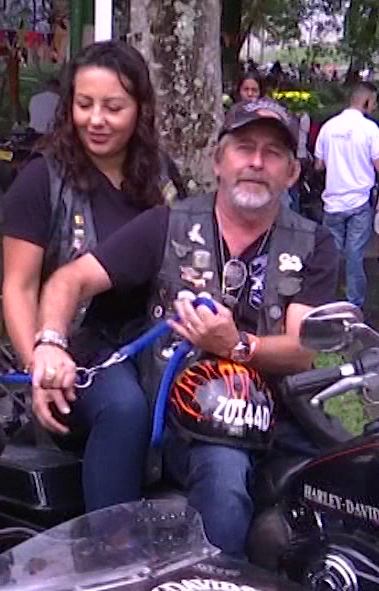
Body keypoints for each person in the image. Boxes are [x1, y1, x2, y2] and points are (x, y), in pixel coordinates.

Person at [32, 98, 340, 556]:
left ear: (292, 173)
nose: (256, 162)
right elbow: (70, 279)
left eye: (273, 153)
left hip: (268, 416)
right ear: (218, 161)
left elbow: (301, 349)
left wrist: (237, 346)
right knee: (224, 480)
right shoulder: (167, 224)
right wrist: (51, 345)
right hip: (182, 417)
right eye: (244, 148)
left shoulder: (315, 243)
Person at [2, 41, 181, 518]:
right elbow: (19, 287)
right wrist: (38, 363)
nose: (96, 119)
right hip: (78, 343)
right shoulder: (41, 180)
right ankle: (110, 551)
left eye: (113, 107)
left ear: (140, 110)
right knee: (124, 408)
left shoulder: (162, 176)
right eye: (84, 105)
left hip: (154, 335)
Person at [313, 82, 379, 310]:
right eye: (373, 102)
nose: (374, 107)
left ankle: (327, 301)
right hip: (359, 201)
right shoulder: (370, 129)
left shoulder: (328, 127)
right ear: (365, 102)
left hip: (333, 201)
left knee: (331, 255)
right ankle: (354, 303)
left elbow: (318, 165)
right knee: (355, 255)